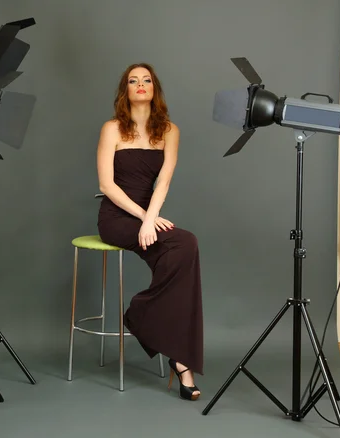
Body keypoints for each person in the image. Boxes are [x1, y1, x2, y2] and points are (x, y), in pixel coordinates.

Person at [96, 63, 204, 401]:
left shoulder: (170, 130)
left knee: (185, 245)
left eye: (146, 80)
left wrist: (151, 217)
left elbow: (164, 179)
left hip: (148, 216)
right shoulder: (112, 129)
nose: (140, 84)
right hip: (118, 216)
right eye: (133, 80)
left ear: (154, 88)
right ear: (125, 90)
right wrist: (145, 218)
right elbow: (106, 185)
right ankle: (165, 343)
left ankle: (166, 340)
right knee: (178, 244)